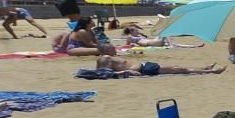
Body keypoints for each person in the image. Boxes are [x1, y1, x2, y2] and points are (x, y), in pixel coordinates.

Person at [95, 44, 225, 75]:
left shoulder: (110, 57)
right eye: (111, 47)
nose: (114, 49)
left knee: (176, 67)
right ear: (106, 51)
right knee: (178, 69)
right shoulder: (105, 58)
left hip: (144, 65)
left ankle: (205, 67)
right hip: (143, 68)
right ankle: (211, 71)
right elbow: (104, 73)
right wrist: (126, 72)